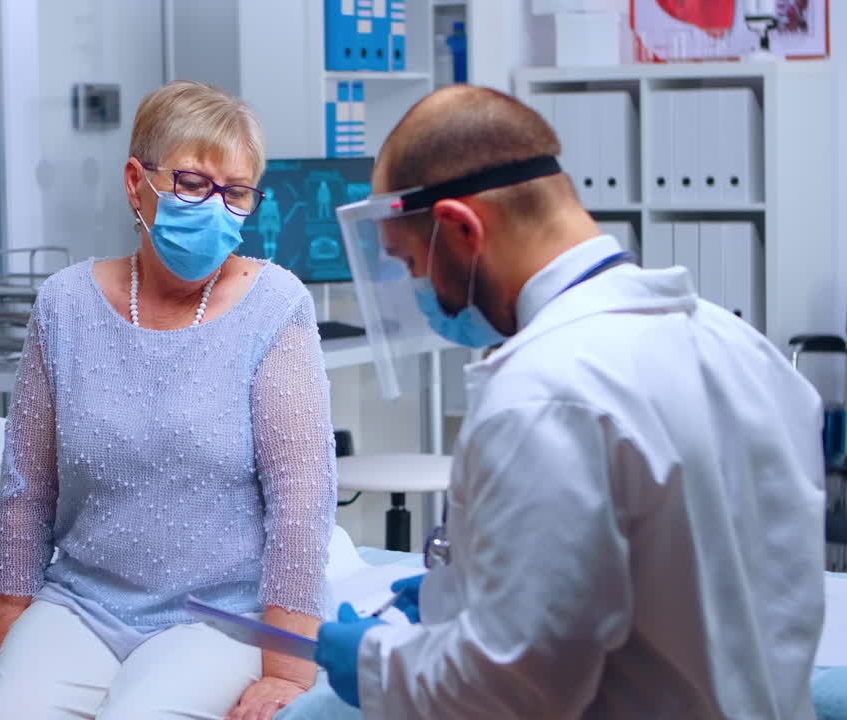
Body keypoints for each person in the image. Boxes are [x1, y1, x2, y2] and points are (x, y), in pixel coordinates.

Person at [316, 85, 826, 718]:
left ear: (459, 227)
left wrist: (376, 665)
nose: (418, 287)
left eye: (412, 262)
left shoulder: (542, 396)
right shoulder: (745, 352)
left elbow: (512, 695)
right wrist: (467, 594)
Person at [0, 81, 337, 720]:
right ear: (134, 182)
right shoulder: (64, 306)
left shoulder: (276, 307)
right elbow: (26, 494)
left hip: (221, 616)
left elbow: (302, 503)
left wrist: (286, 671)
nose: (215, 208)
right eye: (193, 183)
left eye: (235, 193)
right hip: (83, 606)